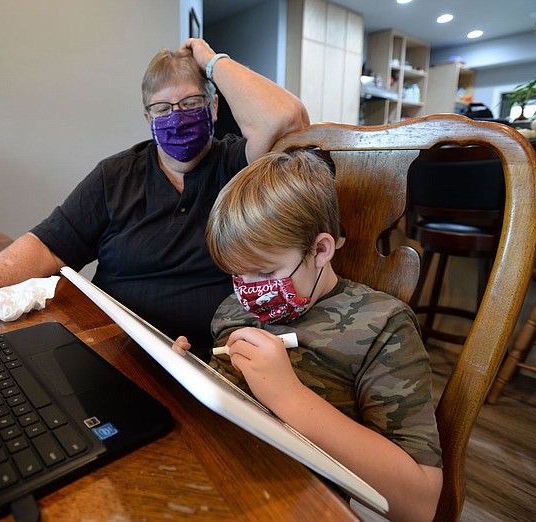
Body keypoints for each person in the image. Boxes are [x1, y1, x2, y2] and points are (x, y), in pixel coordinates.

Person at [0, 39, 308, 357]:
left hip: (208, 358)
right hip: (112, 349)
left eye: (192, 103)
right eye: (162, 109)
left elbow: (284, 116)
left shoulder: (239, 164)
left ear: (213, 108)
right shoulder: (115, 175)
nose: (177, 118)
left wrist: (211, 60)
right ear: (146, 119)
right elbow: (48, 243)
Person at [171, 151, 443, 521]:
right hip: (215, 471)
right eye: (237, 275)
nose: (248, 291)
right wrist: (189, 377)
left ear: (320, 250)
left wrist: (289, 397)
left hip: (295, 501)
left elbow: (420, 503)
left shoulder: (382, 325)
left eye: (264, 272)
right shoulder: (233, 310)